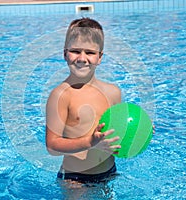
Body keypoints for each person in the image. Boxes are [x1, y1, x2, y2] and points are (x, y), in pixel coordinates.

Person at [46, 17, 122, 184]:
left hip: (109, 172)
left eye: (90, 52)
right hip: (76, 179)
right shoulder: (61, 95)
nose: (82, 58)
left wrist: (139, 131)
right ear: (65, 53)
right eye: (75, 51)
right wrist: (89, 143)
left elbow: (117, 132)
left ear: (99, 57)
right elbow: (52, 146)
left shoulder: (113, 92)